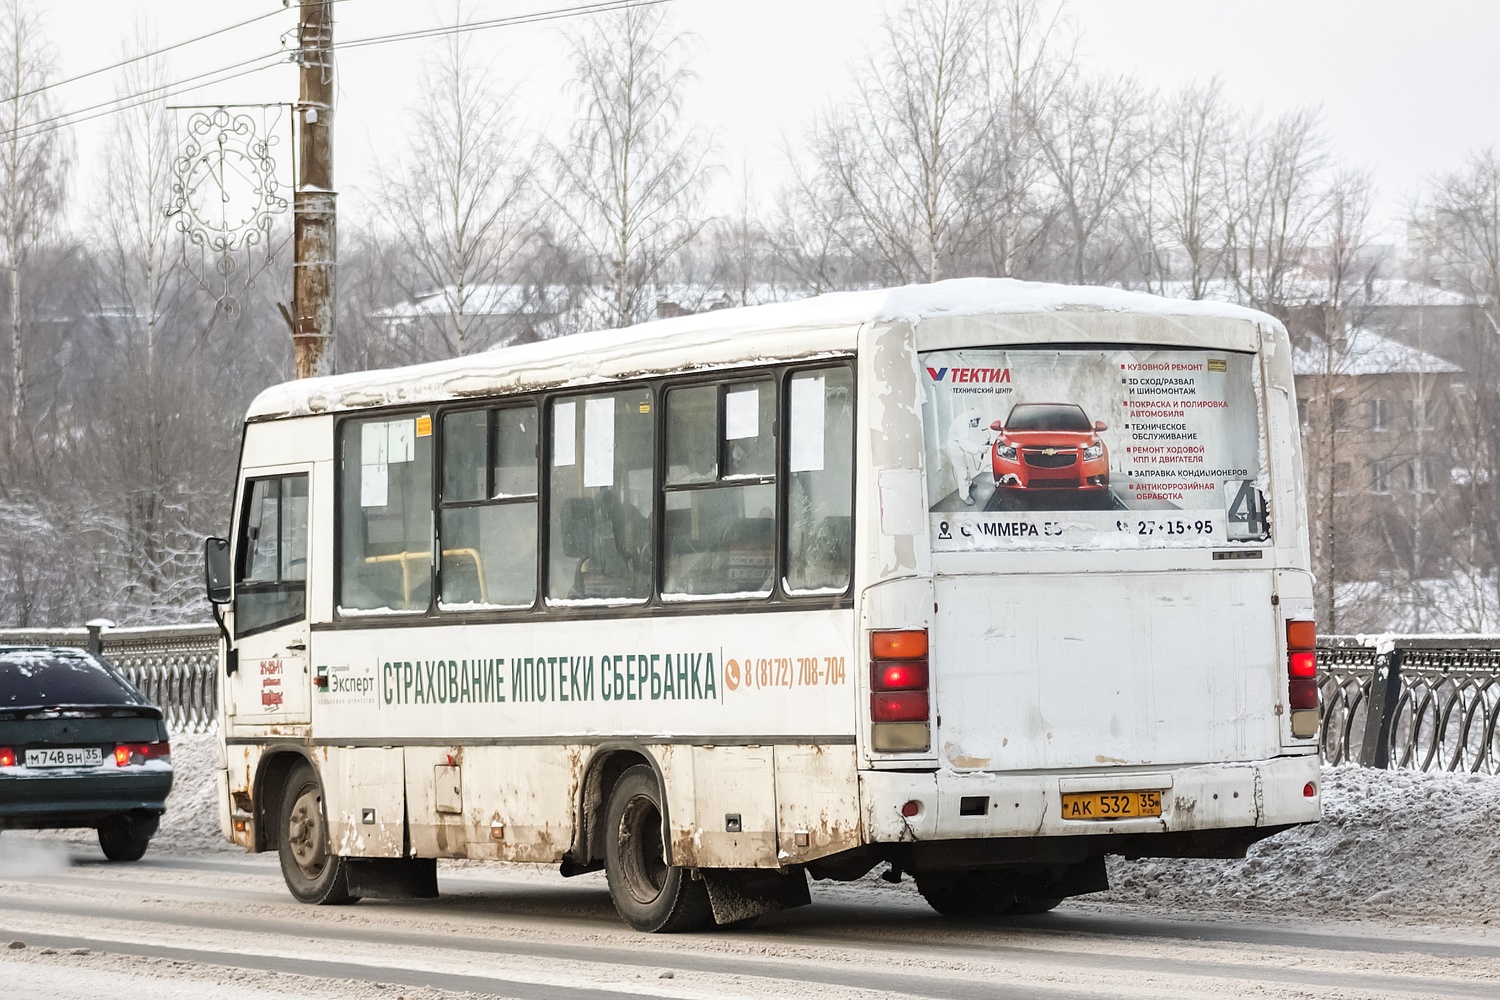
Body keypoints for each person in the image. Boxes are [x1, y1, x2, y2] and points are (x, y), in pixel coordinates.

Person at [944, 406, 992, 506]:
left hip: (958, 444)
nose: (978, 423)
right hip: (955, 447)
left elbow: (964, 442)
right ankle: (964, 496)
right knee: (962, 471)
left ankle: (969, 484)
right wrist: (979, 449)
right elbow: (965, 444)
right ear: (973, 419)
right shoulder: (963, 423)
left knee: (965, 466)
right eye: (977, 421)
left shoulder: (966, 418)